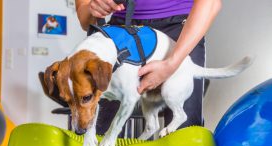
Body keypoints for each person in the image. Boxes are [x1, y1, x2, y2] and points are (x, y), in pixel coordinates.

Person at [75, 0, 222, 135]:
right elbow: (84, 18)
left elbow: (211, 3)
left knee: (185, 136)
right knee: (100, 133)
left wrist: (172, 63)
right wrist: (93, 7)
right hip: (122, 28)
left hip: (181, 28)